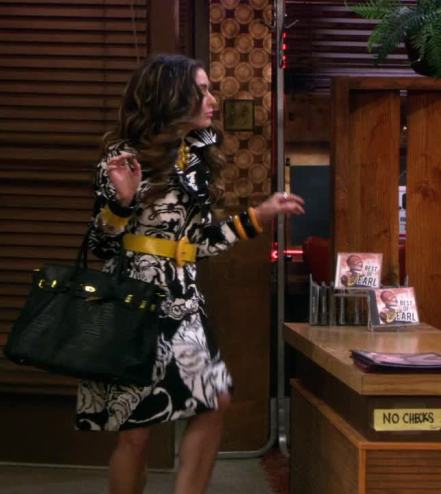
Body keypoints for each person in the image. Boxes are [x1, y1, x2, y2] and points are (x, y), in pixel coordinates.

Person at [75, 54, 305, 494]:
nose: (212, 100)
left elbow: (200, 243)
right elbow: (101, 245)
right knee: (136, 431)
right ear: (170, 96)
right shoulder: (123, 157)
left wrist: (259, 215)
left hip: (183, 305)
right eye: (201, 91)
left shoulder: (194, 156)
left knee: (215, 400)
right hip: (133, 303)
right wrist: (122, 203)